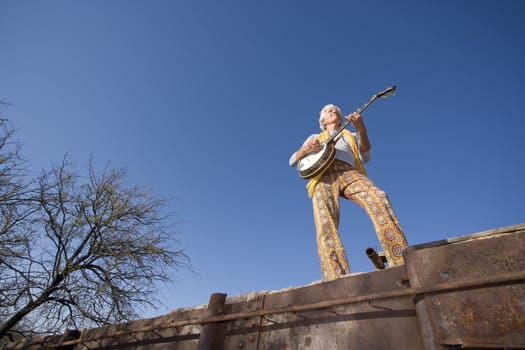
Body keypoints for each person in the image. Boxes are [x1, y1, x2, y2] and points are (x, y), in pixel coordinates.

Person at [289, 104, 408, 280]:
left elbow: (366, 157)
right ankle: (335, 275)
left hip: (348, 171)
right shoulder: (315, 138)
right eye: (329, 111)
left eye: (336, 110)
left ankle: (400, 258)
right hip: (323, 175)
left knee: (378, 198)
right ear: (323, 121)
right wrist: (307, 149)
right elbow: (292, 160)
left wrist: (361, 128)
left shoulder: (350, 135)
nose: (334, 111)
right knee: (325, 221)